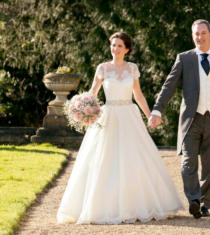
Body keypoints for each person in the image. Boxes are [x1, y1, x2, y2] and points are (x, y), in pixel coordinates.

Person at [57, 32, 183, 224]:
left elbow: (138, 95)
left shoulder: (132, 68)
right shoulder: (102, 68)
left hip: (129, 115)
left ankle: (137, 205)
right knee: (103, 158)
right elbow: (92, 93)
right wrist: (82, 108)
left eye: (119, 46)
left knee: (134, 157)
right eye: (113, 45)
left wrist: (150, 115)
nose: (115, 49)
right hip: (108, 116)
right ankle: (100, 207)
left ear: (127, 50)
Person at [148, 19, 210, 219]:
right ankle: (194, 201)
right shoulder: (184, 58)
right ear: (192, 36)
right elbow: (168, 86)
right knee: (188, 163)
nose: (200, 37)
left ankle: (205, 204)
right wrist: (157, 110)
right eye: (196, 34)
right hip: (191, 119)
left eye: (203, 33)